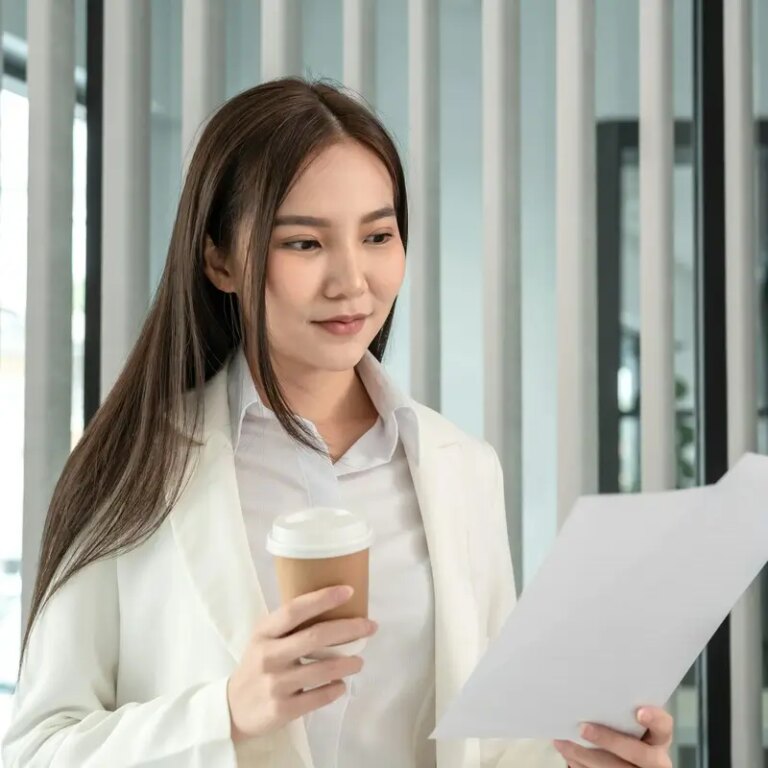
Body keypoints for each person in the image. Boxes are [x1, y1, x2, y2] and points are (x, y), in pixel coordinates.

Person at [1, 78, 673, 768]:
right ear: (220, 259)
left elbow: (491, 749)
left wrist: (584, 757)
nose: (352, 280)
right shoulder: (135, 465)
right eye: (304, 244)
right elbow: (36, 751)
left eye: (378, 235)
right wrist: (225, 713)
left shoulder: (461, 468)